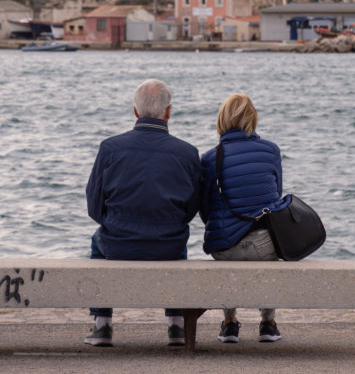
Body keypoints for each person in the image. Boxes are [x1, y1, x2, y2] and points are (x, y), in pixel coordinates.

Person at [84, 79, 201, 347]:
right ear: (168, 112)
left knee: (97, 241)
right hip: (168, 244)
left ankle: (102, 325)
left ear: (135, 111)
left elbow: (94, 202)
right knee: (179, 240)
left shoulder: (110, 148)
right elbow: (192, 207)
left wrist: (114, 223)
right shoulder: (187, 153)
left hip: (118, 244)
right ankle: (176, 326)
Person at [199, 93, 290, 343]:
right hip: (264, 246)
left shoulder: (209, 158)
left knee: (226, 246)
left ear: (222, 120)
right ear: (253, 118)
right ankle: (268, 323)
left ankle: (229, 323)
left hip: (225, 248)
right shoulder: (271, 150)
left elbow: (205, 209)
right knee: (269, 244)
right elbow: (276, 197)